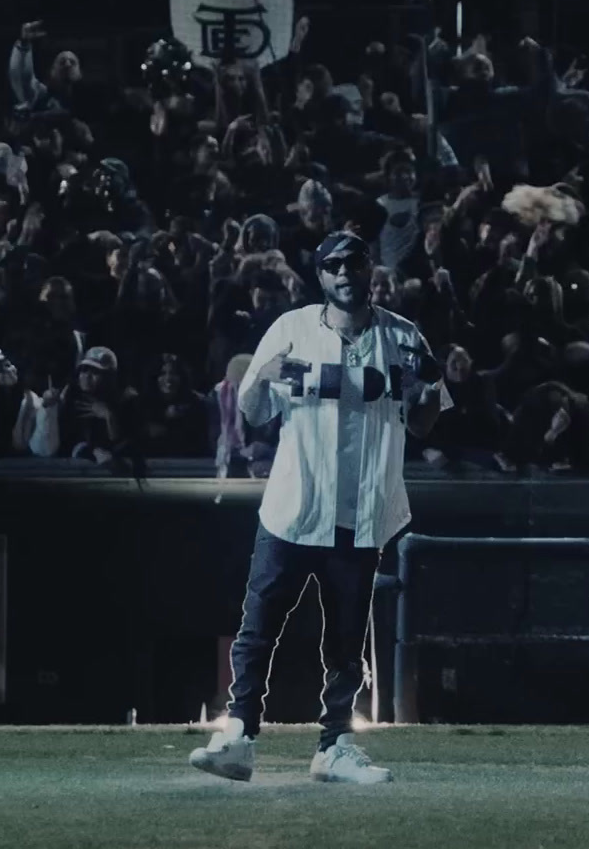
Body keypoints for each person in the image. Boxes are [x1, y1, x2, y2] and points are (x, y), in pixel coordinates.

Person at [191, 231, 448, 785]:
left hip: (362, 509)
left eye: (353, 263)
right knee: (258, 626)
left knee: (347, 639)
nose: (344, 274)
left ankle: (334, 745)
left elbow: (425, 420)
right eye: (333, 266)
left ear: (368, 268)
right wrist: (258, 374)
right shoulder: (290, 329)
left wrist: (428, 389)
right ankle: (239, 733)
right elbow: (256, 412)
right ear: (320, 275)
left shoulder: (404, 338)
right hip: (294, 502)